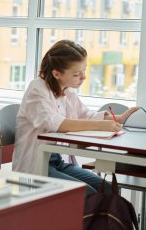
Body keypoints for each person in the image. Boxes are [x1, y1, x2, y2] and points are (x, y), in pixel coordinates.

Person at [12, 39, 138, 194]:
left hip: (58, 161)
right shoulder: (37, 90)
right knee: (86, 194)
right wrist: (101, 126)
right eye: (77, 74)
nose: (83, 77)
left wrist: (117, 119)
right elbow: (57, 123)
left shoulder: (67, 90)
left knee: (108, 189)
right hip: (38, 164)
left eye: (84, 70)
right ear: (57, 73)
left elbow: (85, 114)